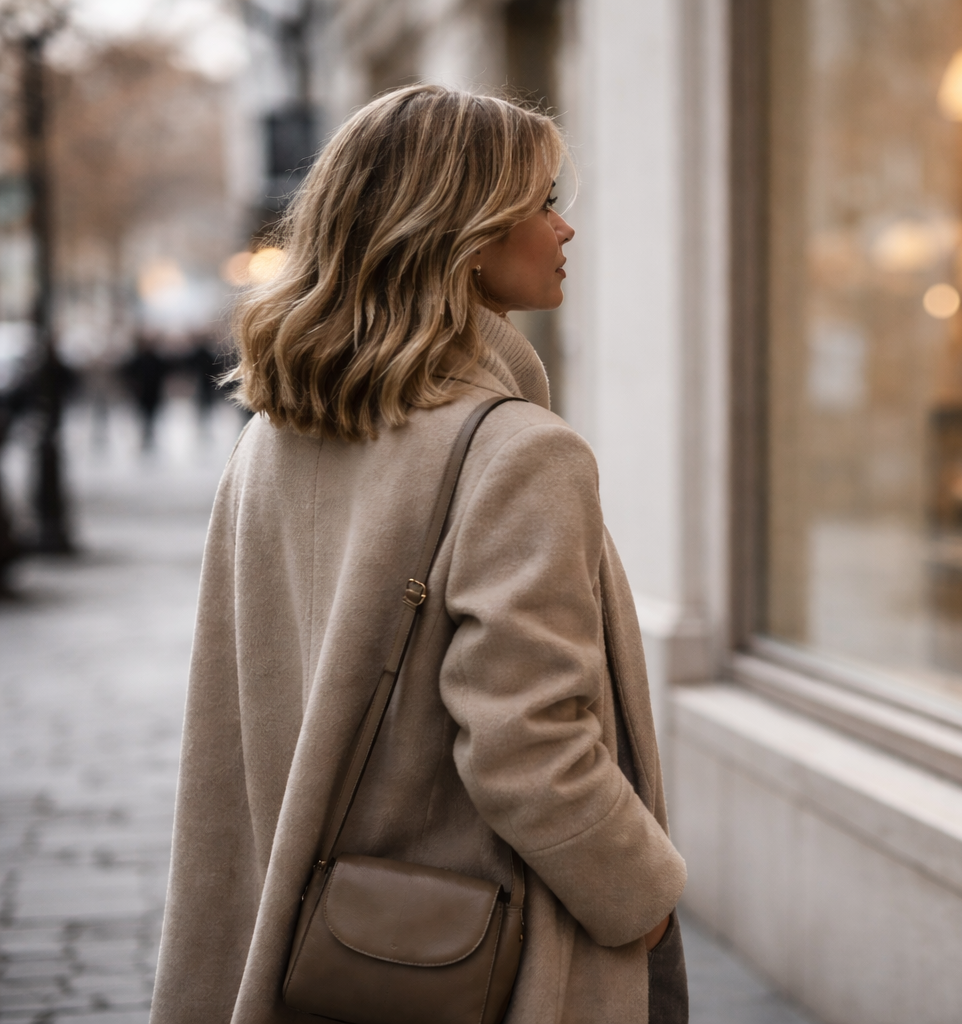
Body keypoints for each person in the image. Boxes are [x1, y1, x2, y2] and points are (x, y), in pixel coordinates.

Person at [148, 85, 688, 1024]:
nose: (565, 231)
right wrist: (638, 894)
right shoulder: (519, 453)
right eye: (541, 204)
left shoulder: (271, 440)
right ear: (459, 229)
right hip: (477, 954)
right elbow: (527, 740)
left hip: (305, 940)